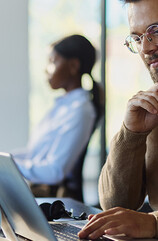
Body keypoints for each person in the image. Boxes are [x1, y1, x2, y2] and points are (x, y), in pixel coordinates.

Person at [78, 0, 158, 239]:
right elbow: (115, 202)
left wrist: (152, 223)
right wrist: (131, 134)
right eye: (137, 37)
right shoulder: (151, 108)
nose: (146, 47)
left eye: (156, 31)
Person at [12, 34, 103, 201]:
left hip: (55, 202)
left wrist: (10, 166)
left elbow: (55, 171)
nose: (46, 69)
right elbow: (34, 155)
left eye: (53, 62)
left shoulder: (80, 110)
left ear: (73, 66)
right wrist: (1, 161)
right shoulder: (62, 106)